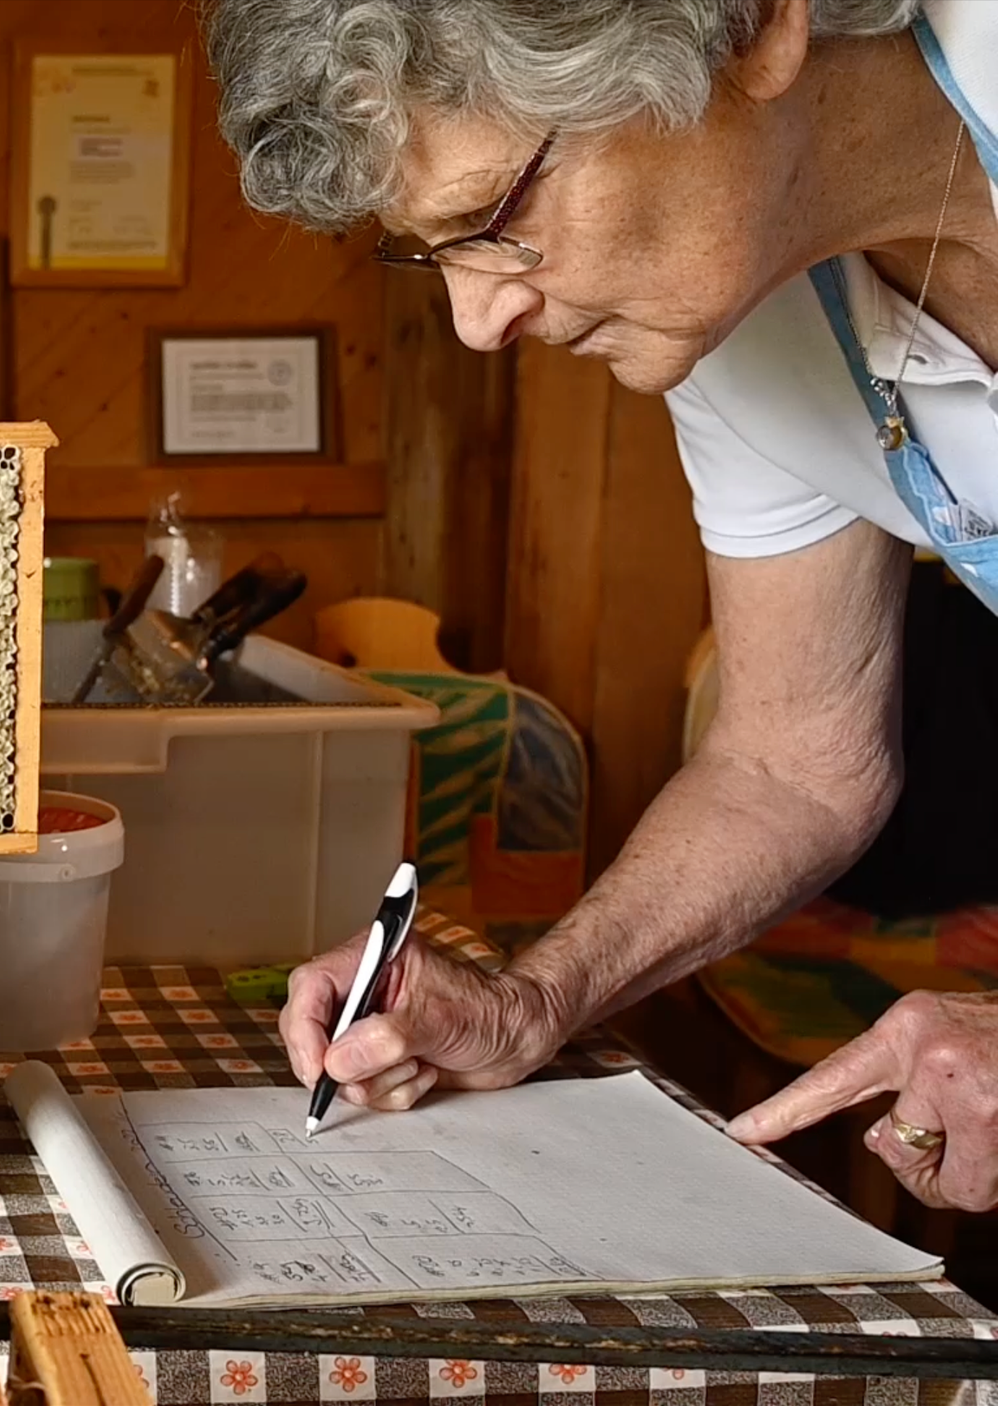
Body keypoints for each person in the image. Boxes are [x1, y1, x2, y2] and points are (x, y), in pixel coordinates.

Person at [204, 0, 998, 1211]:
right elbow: (792, 761)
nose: (477, 321)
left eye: (495, 217)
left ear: (752, 31)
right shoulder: (740, 296)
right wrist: (537, 997)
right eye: (435, 248)